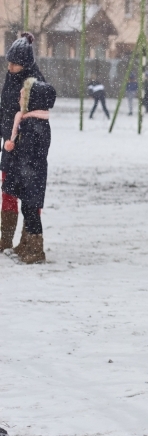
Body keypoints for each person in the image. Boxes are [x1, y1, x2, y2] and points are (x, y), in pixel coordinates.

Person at [2, 78, 57, 264]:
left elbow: (31, 153)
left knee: (31, 211)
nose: (19, 99)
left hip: (32, 175)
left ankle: (36, 249)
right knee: (27, 208)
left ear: (32, 101)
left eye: (23, 97)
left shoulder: (35, 125)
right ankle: (26, 244)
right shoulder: (29, 123)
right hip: (28, 174)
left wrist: (19, 161)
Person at [1, 32, 45, 254]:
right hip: (9, 144)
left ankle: (29, 239)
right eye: (9, 62)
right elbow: (5, 109)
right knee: (7, 191)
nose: (10, 67)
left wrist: (22, 136)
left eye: (15, 63)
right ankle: (6, 238)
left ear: (25, 64)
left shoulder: (34, 83)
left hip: (26, 145)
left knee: (29, 192)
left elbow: (37, 115)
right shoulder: (11, 79)